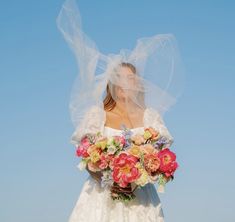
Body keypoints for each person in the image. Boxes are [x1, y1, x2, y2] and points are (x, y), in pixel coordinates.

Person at [56, 0, 184, 221]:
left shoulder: (150, 117)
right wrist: (112, 180)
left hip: (140, 200)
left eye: (131, 80)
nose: (126, 84)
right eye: (121, 80)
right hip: (102, 197)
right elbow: (89, 160)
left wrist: (142, 176)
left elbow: (161, 162)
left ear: (138, 84)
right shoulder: (98, 116)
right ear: (112, 85)